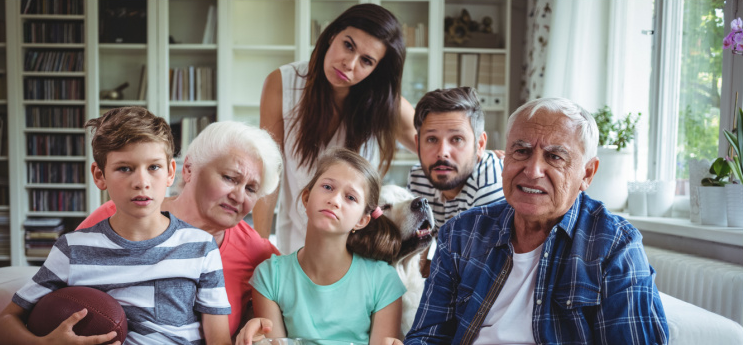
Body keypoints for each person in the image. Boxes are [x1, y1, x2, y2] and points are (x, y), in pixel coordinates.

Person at [404, 98, 668, 344]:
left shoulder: (616, 247)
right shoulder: (461, 233)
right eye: (521, 151)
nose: (532, 171)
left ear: (587, 173)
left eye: (555, 157)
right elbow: (427, 337)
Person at [0, 107, 232, 344]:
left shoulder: (201, 247)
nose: (141, 182)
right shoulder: (73, 250)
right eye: (124, 168)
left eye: (154, 167)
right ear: (99, 175)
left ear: (170, 172)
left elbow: (219, 342)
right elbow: (4, 322)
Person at [74, 119, 283, 340]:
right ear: (189, 170)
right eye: (229, 178)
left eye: (251, 189)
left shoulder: (258, 252)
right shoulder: (116, 217)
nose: (238, 196)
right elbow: (57, 295)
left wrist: (256, 324)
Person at [254, 3, 418, 255]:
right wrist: (258, 247)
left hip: (358, 248)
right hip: (295, 243)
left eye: (366, 61)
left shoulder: (385, 104)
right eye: (348, 45)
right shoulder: (282, 84)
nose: (349, 64)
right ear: (332, 35)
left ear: (376, 69)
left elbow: (437, 149)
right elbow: (268, 172)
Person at [236, 148, 405, 345]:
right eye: (327, 187)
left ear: (362, 221)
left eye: (350, 197)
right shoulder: (269, 277)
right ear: (306, 198)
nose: (334, 200)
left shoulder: (384, 281)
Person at [408, 87, 504, 228]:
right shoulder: (418, 179)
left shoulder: (491, 183)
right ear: (418, 145)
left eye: (457, 139)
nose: (442, 152)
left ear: (480, 144)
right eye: (432, 139)